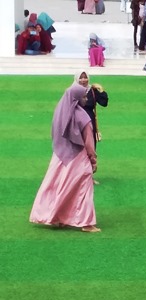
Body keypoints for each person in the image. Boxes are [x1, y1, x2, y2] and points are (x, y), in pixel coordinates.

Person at [30, 83, 100, 233]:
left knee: (58, 186)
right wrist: (93, 160)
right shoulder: (83, 117)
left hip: (60, 156)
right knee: (83, 187)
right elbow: (89, 143)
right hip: (78, 157)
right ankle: (86, 223)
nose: (86, 99)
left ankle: (58, 217)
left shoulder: (60, 113)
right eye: (84, 96)